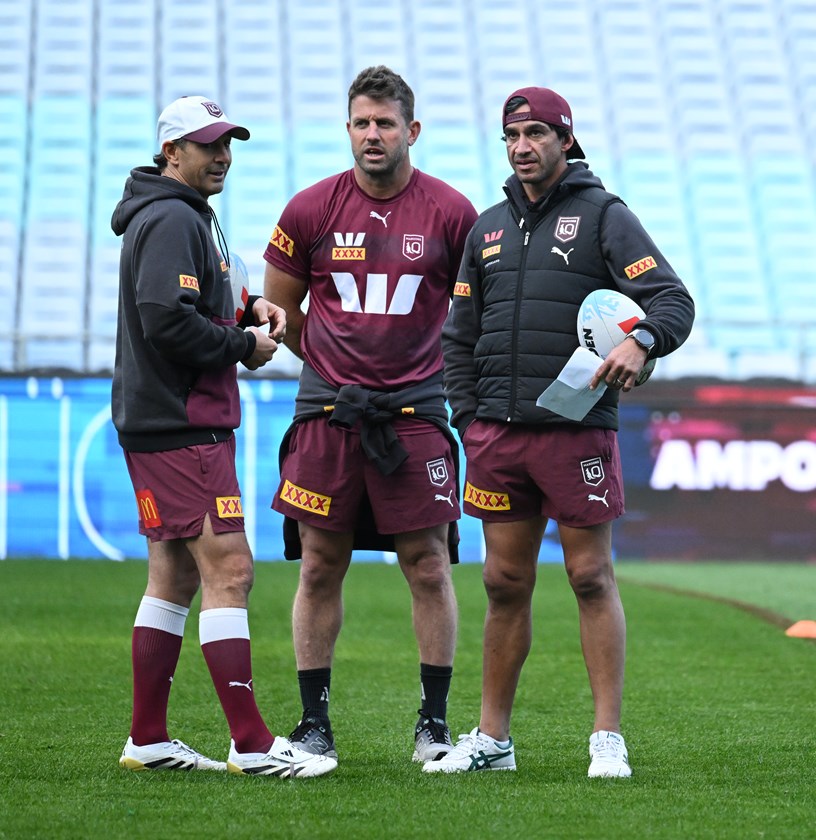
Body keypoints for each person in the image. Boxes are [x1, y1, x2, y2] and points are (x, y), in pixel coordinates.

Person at [425, 87, 695, 777]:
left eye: (537, 132)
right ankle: (493, 741)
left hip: (576, 434)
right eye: (512, 134)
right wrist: (469, 416)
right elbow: (458, 335)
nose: (522, 146)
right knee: (503, 581)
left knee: (589, 577)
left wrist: (643, 342)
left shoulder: (605, 216)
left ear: (566, 141)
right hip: (497, 438)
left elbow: (672, 299)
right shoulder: (485, 229)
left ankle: (607, 738)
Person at [111, 95, 336, 779]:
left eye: (228, 143)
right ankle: (252, 743)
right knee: (231, 570)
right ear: (170, 152)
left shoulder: (182, 216)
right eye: (208, 145)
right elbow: (167, 320)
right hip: (183, 424)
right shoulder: (174, 217)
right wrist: (244, 342)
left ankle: (148, 738)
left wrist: (250, 305)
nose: (223, 156)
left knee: (175, 574)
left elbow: (202, 294)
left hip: (161, 421)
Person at [263, 66, 479, 765]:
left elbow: (473, 316)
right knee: (320, 564)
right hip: (328, 412)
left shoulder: (452, 212)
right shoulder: (308, 210)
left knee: (427, 564)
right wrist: (336, 371)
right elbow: (282, 314)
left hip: (416, 413)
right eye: (361, 122)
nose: (373, 135)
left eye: (386, 123)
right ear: (348, 128)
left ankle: (434, 725)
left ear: (412, 131)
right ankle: (313, 724)